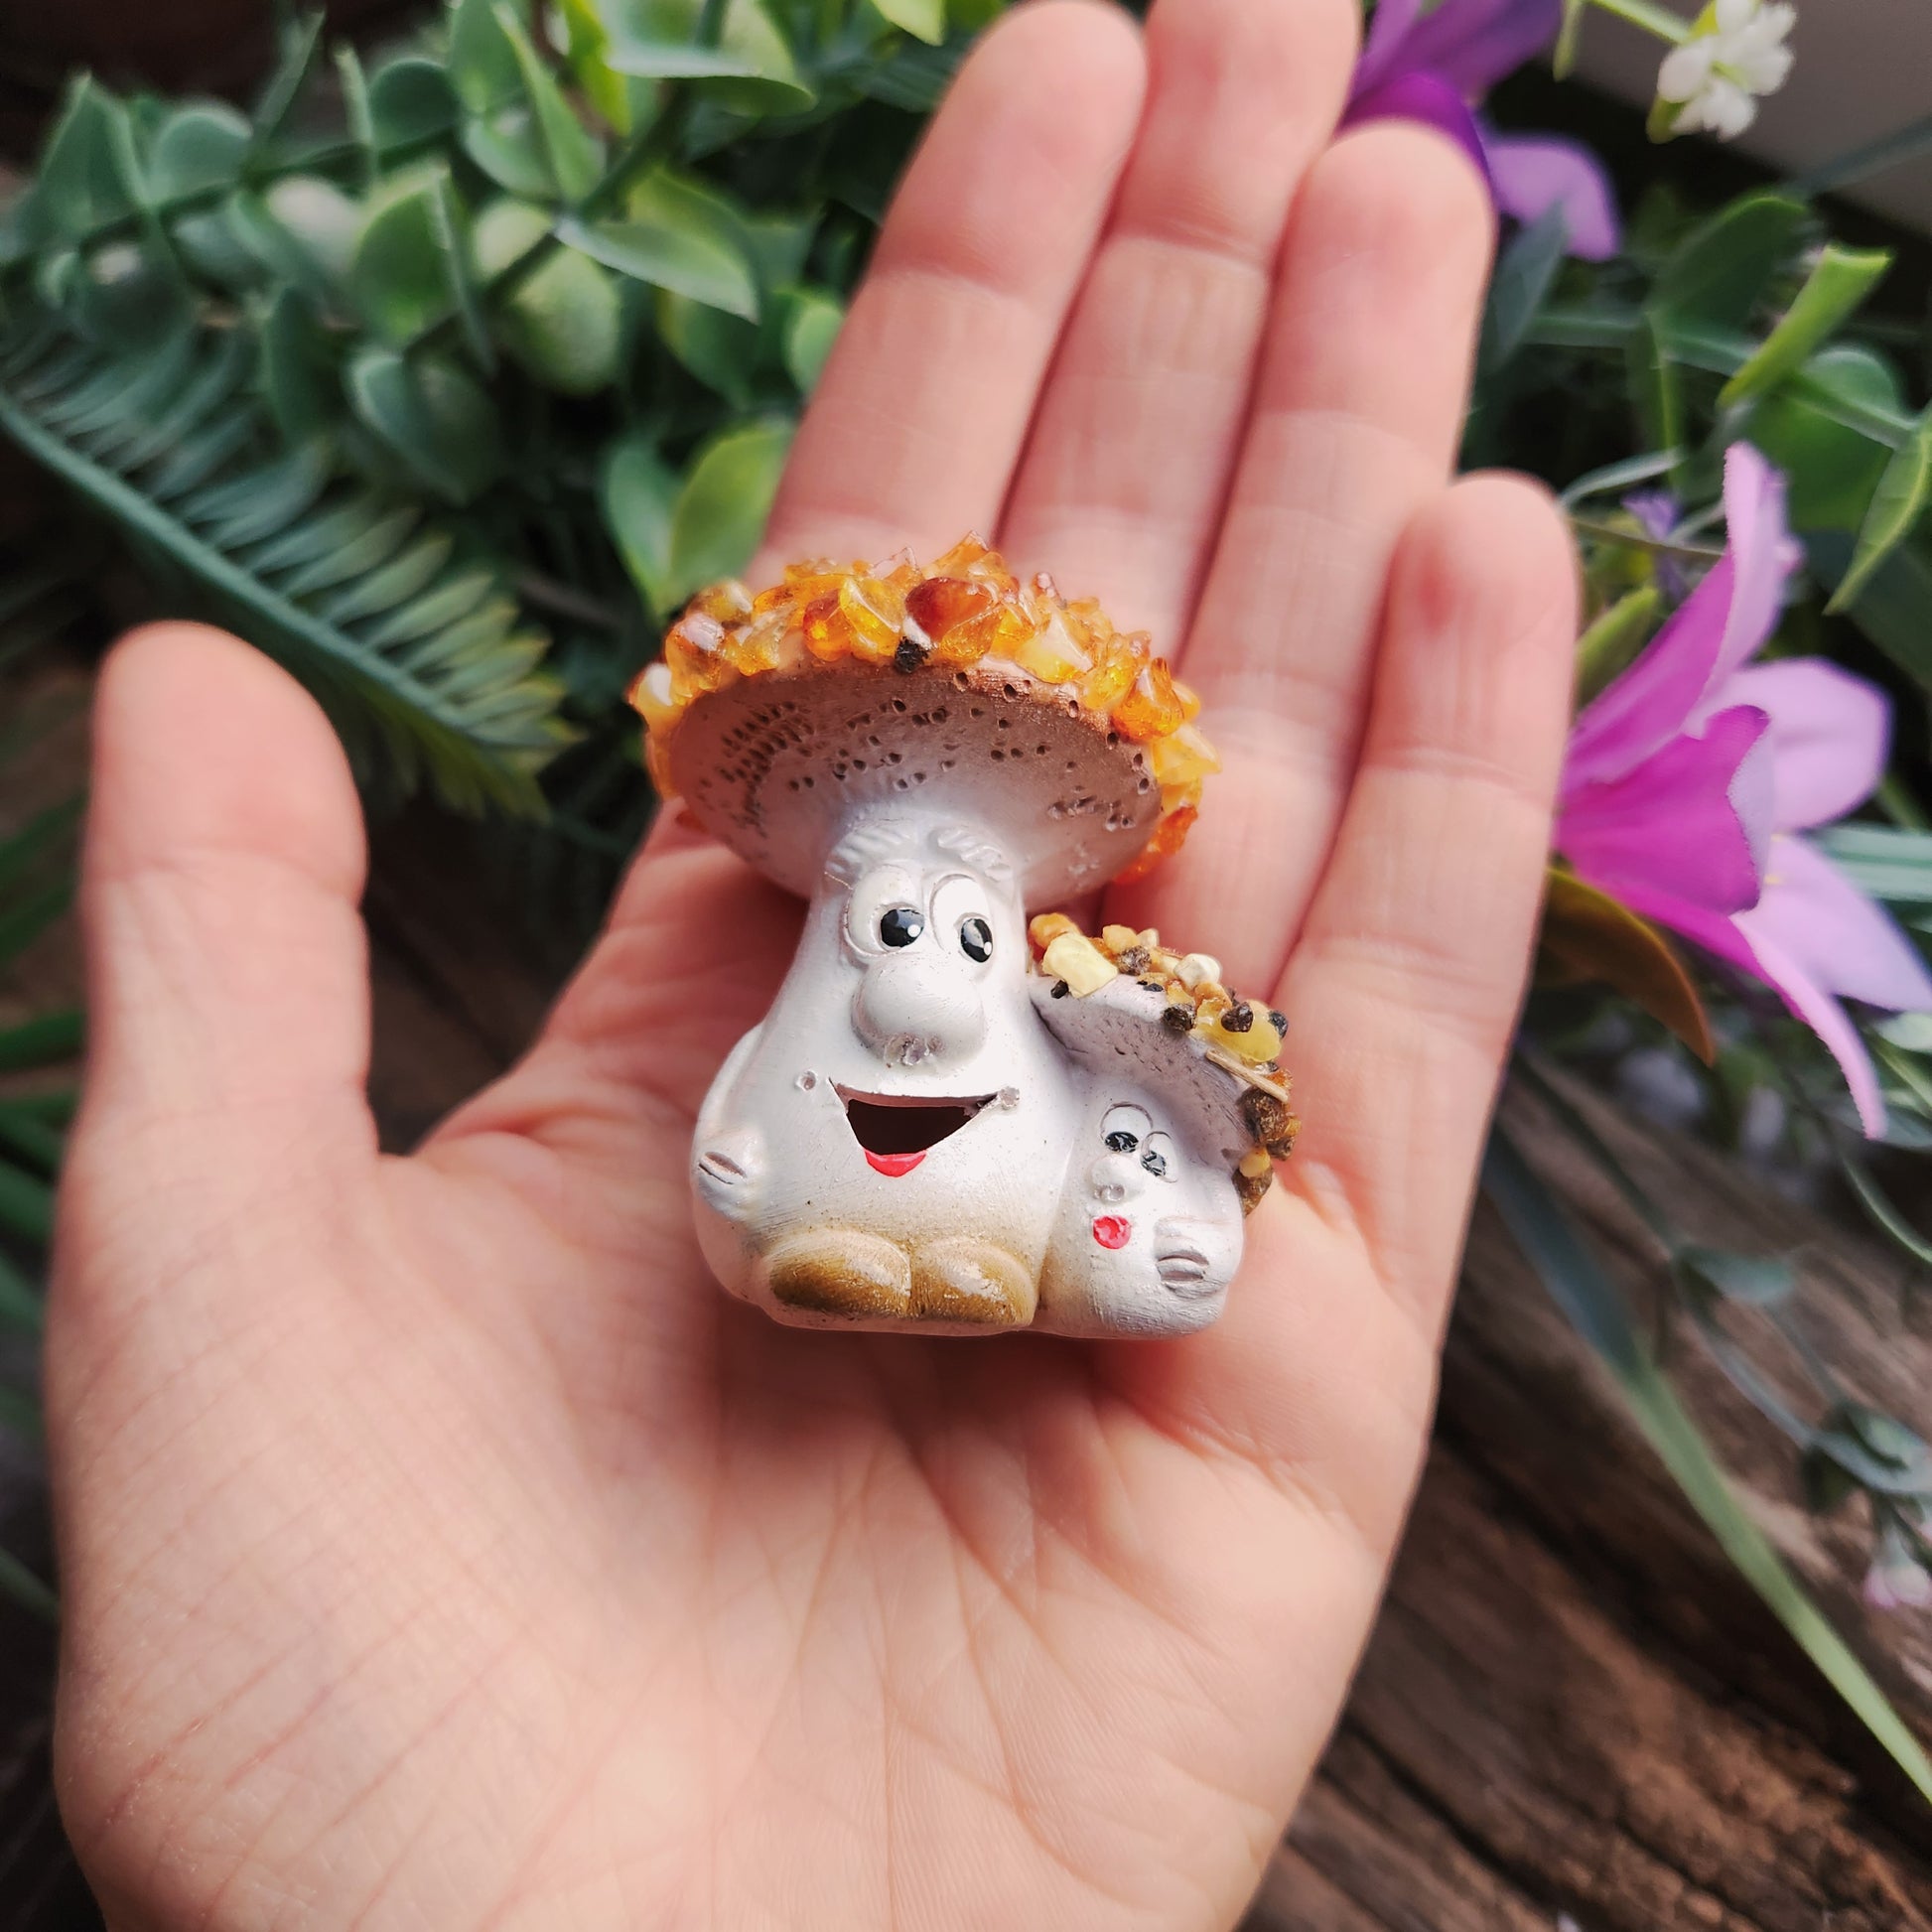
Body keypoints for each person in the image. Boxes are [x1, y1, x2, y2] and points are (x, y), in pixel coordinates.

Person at [44, 0, 1578, 1923]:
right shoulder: (826, 892)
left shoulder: (1046, 957)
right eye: (902, 930)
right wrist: (735, 1165)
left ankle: (997, 1246)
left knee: (1085, 1205)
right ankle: (874, 1238)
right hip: (809, 1217)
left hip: (1005, 1229)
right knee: (819, 1177)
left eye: (956, 936)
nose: (922, 983)